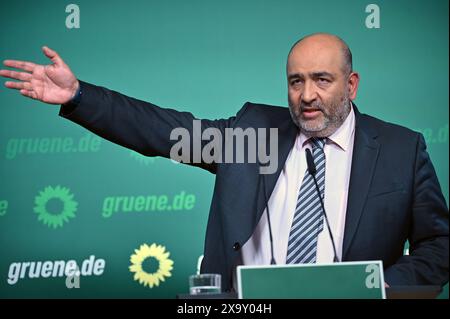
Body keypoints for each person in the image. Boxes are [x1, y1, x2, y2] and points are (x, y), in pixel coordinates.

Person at [1, 33, 448, 292]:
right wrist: (79, 95)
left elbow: (438, 249)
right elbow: (160, 131)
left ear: (351, 84)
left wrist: (375, 291)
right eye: (295, 81)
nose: (306, 95)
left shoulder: (399, 149)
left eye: (322, 80)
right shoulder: (253, 136)